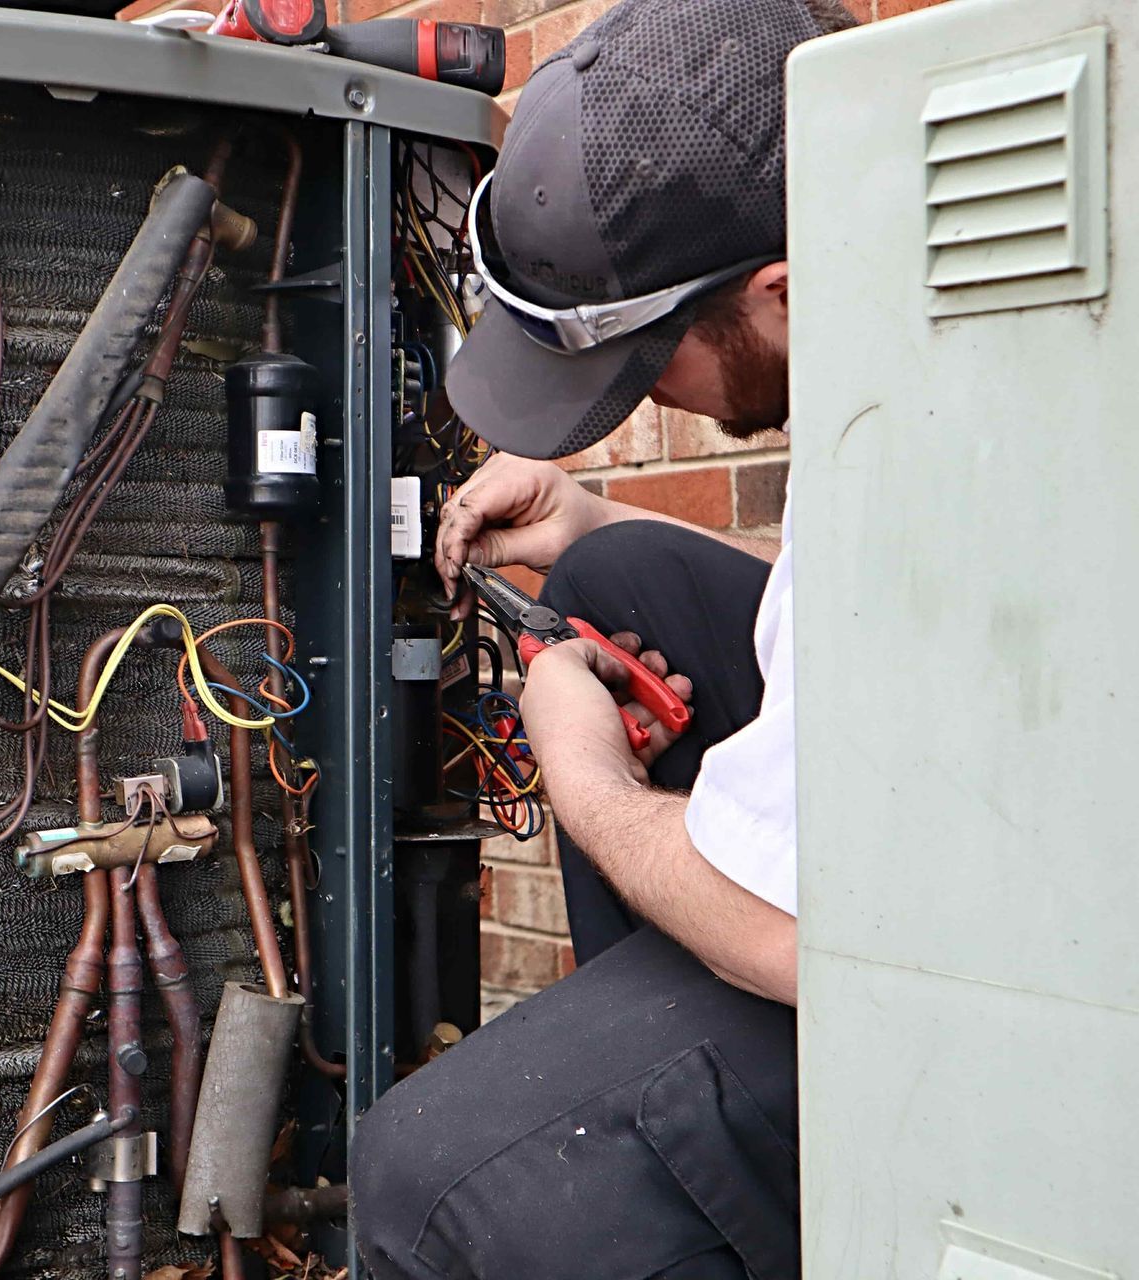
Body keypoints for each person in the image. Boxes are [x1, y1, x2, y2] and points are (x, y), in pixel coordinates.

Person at [349, 1, 859, 1276]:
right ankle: (669, 1089)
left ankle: (688, 1151)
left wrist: (583, 771)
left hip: (956, 979)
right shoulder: (900, 355)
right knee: (618, 572)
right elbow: (847, 615)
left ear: (782, 290)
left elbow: (796, 934)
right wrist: (592, 515)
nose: (636, 406)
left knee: (423, 1180)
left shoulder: (911, 452)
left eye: (644, 365)